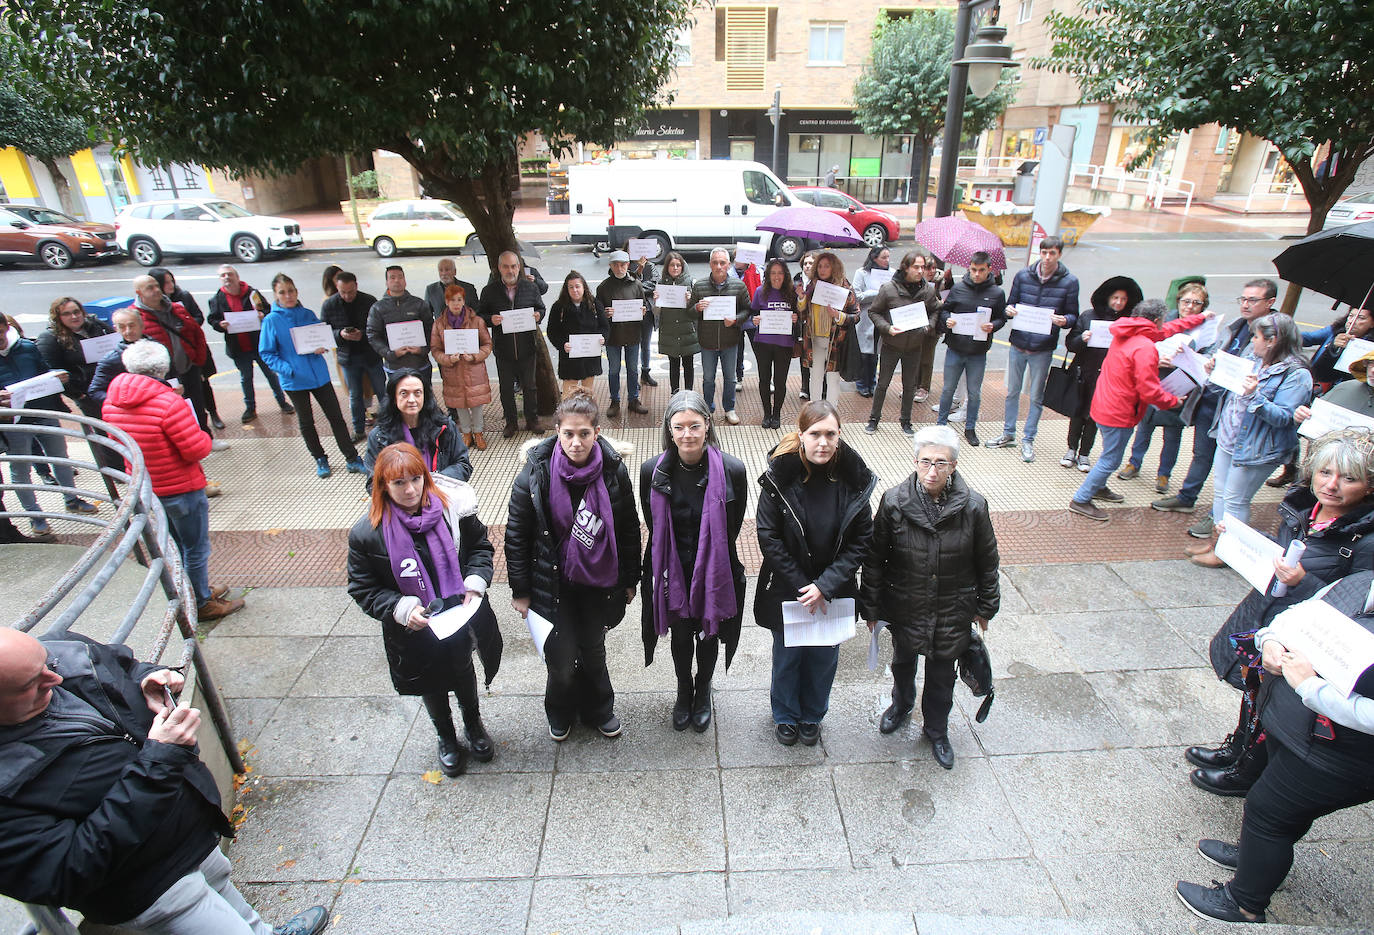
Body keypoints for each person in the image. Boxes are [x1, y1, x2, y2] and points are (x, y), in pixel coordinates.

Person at [0, 629, 328, 935]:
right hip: (151, 885)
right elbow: (64, 871)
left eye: (47, 662)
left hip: (190, 830)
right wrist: (160, 760)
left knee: (227, 892)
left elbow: (122, 665)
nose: (54, 678)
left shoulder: (60, 650)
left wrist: (148, 677)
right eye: (33, 683)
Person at [1175, 569, 1374, 925]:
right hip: (1300, 730)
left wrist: (1312, 689)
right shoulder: (1360, 581)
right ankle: (1256, 857)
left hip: (1340, 755)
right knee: (1279, 814)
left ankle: (1243, 903)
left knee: (1269, 811)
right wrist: (1270, 641)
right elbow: (1296, 615)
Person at [1188, 429, 1374, 798]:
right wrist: (1240, 538)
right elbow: (1283, 551)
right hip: (1270, 616)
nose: (1332, 485)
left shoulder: (1365, 539)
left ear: (1369, 486)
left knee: (1274, 703)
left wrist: (1304, 581)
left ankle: (1247, 773)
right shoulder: (1303, 508)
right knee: (1251, 687)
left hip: (1309, 642)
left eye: (1348, 478)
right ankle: (1236, 749)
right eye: (1325, 473)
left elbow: (1357, 606)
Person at [346, 442, 499, 776]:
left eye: (416, 479)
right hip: (412, 628)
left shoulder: (451, 510)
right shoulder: (366, 534)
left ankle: (473, 727)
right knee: (430, 681)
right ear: (383, 486)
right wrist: (401, 609)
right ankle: (446, 737)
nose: (410, 489)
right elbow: (362, 587)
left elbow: (479, 548)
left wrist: (474, 582)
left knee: (462, 671)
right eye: (399, 483)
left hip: (457, 613)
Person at [505, 392, 641, 740]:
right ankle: (561, 709)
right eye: (568, 434)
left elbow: (627, 527)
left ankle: (600, 709)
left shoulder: (613, 471)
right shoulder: (535, 474)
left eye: (584, 433)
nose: (576, 442)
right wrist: (520, 590)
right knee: (561, 660)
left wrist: (630, 578)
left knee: (594, 651)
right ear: (557, 432)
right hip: (553, 583)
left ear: (597, 432)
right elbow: (517, 535)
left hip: (598, 582)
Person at [863, 424, 999, 769]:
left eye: (941, 463)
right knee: (902, 663)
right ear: (915, 461)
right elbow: (876, 559)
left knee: (942, 675)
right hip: (906, 603)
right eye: (925, 462)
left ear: (954, 466)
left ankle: (937, 729)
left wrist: (986, 606)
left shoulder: (974, 507)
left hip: (952, 607)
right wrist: (872, 607)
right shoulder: (893, 502)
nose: (932, 471)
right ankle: (901, 705)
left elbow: (987, 561)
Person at [755, 400, 875, 746]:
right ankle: (785, 714)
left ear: (839, 436)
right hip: (789, 589)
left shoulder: (853, 480)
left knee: (824, 657)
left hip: (833, 591)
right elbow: (769, 535)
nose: (822, 442)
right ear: (801, 436)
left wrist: (824, 585)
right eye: (815, 434)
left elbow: (861, 539)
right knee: (788, 655)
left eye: (830, 434)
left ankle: (812, 713)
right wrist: (803, 585)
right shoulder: (780, 477)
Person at [102, 340, 244, 620]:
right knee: (195, 547)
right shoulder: (168, 403)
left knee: (174, 546)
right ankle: (201, 602)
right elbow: (196, 449)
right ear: (163, 368)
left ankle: (192, 590)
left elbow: (117, 443)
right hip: (179, 487)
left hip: (146, 488)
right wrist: (203, 436)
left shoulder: (112, 400)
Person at [640, 390, 747, 731]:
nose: (687, 434)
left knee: (709, 633)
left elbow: (732, 525)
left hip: (714, 568)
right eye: (680, 427)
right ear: (669, 430)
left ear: (708, 426)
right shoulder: (650, 471)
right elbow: (654, 527)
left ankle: (704, 688)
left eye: (694, 426)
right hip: (673, 571)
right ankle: (683, 688)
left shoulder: (733, 469)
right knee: (682, 635)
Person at [1153, 279, 1278, 536]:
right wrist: (1207, 362)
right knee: (1202, 453)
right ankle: (1188, 497)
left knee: (1229, 470)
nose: (1245, 304)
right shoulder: (1237, 325)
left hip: (1238, 410)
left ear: (1270, 303)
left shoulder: (1275, 334)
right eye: (1242, 299)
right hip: (1212, 399)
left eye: (1252, 300)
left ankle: (1217, 517)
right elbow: (1218, 353)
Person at [1187, 313, 1313, 565]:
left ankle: (1227, 552)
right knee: (1222, 494)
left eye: (1256, 337)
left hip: (1257, 449)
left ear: (1272, 340)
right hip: (1229, 438)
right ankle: (1217, 543)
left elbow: (1284, 417)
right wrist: (1215, 372)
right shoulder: (1253, 358)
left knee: (1236, 500)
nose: (1252, 341)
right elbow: (1227, 388)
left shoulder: (1297, 375)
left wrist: (1255, 396)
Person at [1068, 299, 1210, 521]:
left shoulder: (1128, 331)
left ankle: (1098, 487)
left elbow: (1167, 331)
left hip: (1105, 404)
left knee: (1108, 454)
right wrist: (1173, 401)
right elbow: (1149, 390)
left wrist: (1199, 318)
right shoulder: (1145, 348)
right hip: (1120, 412)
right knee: (1110, 460)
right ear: (1155, 320)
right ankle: (1082, 499)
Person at [258, 273, 365, 479]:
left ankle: (351, 458)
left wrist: (322, 346)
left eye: (291, 291)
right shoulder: (272, 320)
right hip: (294, 380)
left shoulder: (307, 314)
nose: (288, 296)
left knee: (336, 418)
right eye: (282, 292)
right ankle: (320, 458)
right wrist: (287, 369)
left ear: (297, 292)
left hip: (319, 376)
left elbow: (321, 335)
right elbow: (266, 353)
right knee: (306, 422)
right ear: (276, 295)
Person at [0, 318, 98, 538]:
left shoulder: (26, 347)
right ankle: (36, 517)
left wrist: (58, 376)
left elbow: (45, 371)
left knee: (60, 458)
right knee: (20, 470)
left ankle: (72, 499)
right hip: (13, 423)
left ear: (6, 328)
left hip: (45, 413)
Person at [989, 236, 1081, 462]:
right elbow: (1011, 303)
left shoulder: (1069, 282)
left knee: (1036, 396)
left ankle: (1028, 439)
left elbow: (1073, 315)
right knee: (1012, 391)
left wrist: (1064, 321)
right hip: (1019, 342)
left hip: (1043, 347)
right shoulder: (1023, 276)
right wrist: (1009, 311)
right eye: (1044, 252)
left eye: (1052, 253)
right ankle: (1008, 433)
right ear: (1039, 253)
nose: (1047, 258)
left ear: (1059, 254)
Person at [1120, 281, 1210, 491]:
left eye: (1196, 303)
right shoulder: (1165, 321)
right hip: (1156, 378)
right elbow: (1146, 345)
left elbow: (1208, 359)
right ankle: (1134, 462)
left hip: (1181, 384)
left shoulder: (1205, 331)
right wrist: (1156, 360)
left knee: (1172, 434)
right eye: (1186, 301)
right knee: (1144, 425)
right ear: (1178, 302)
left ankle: (1164, 474)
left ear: (1202, 307)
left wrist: (1188, 359)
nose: (1189, 306)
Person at [34, 297, 124, 475]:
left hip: (113, 385)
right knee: (102, 431)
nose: (74, 317)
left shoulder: (95, 325)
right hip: (86, 392)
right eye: (67, 314)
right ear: (58, 317)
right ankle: (116, 471)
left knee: (121, 425)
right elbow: (53, 371)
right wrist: (77, 394)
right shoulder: (50, 338)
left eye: (76, 312)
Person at [1062, 276, 1143, 470]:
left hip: (1109, 377)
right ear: (1107, 297)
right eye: (1115, 298)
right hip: (1084, 372)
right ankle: (1071, 449)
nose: (1118, 303)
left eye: (1123, 299)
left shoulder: (1128, 322)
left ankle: (1084, 454)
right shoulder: (1088, 316)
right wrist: (1082, 338)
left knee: (1094, 417)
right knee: (1078, 413)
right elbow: (1070, 344)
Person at [131, 274, 217, 445]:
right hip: (163, 377)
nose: (156, 290)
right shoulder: (135, 317)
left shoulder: (177, 308)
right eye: (150, 288)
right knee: (174, 412)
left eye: (156, 285)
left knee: (198, 405)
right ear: (139, 292)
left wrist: (198, 361)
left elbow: (196, 334)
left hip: (189, 368)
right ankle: (185, 445)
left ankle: (206, 440)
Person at [864, 250, 941, 438]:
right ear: (905, 267)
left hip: (914, 346)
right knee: (882, 384)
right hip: (892, 344)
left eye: (922, 267)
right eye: (916, 267)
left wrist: (929, 327)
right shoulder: (888, 288)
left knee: (910, 385)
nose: (920, 271)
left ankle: (906, 421)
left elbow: (935, 310)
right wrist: (887, 328)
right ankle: (874, 419)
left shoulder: (928, 290)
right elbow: (874, 312)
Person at [933, 253, 1008, 444]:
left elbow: (1002, 317)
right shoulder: (958, 289)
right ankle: (941, 425)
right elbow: (945, 310)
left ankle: (970, 427)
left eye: (981, 270)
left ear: (989, 269)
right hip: (956, 348)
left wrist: (994, 325)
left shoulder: (997, 293)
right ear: (969, 268)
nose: (976, 274)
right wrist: (947, 319)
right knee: (948, 389)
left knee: (974, 392)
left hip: (978, 351)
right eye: (973, 270)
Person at [207, 265, 294, 425]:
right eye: (223, 275)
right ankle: (250, 408)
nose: (227, 277)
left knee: (271, 375)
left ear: (237, 277)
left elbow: (267, 309)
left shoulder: (252, 293)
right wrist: (220, 324)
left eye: (230, 274)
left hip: (259, 344)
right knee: (246, 378)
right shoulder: (217, 299)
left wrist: (262, 315)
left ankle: (282, 402)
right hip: (238, 348)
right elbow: (212, 319)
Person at [478, 250, 547, 437]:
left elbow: (541, 307)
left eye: (514, 266)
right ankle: (511, 422)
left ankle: (532, 420)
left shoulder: (530, 288)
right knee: (506, 388)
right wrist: (490, 319)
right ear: (499, 268)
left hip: (527, 347)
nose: (511, 270)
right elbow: (480, 315)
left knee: (530, 386)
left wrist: (539, 315)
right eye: (506, 266)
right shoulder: (489, 291)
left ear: (519, 267)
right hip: (503, 349)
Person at [364, 371, 472, 484]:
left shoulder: (444, 427)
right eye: (404, 393)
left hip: (440, 494)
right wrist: (401, 488)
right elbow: (373, 482)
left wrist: (434, 481)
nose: (412, 400)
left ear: (425, 396)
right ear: (394, 398)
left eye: (417, 393)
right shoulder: (379, 436)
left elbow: (463, 465)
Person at [151, 266, 225, 430]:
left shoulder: (183, 296)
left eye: (172, 281)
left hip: (192, 353)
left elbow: (198, 317)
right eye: (166, 282)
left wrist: (184, 327)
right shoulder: (149, 311)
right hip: (172, 362)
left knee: (203, 386)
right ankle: (193, 424)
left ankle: (212, 414)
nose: (171, 285)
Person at [318, 269, 386, 443]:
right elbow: (323, 332)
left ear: (356, 286)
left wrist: (362, 334)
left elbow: (379, 327)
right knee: (355, 395)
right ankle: (358, 429)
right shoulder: (329, 305)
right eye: (343, 292)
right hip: (347, 358)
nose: (347, 296)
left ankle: (389, 425)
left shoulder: (369, 301)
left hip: (370, 355)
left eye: (350, 292)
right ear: (337, 288)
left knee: (382, 391)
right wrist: (340, 334)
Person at [689, 248, 750, 424]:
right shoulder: (700, 286)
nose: (719, 266)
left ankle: (729, 408)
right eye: (715, 262)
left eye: (722, 262)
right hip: (707, 342)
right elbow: (689, 312)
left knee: (730, 378)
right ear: (710, 264)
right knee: (708, 378)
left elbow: (748, 309)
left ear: (728, 264)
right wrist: (696, 308)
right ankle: (707, 408)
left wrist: (736, 319)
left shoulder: (738, 286)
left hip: (730, 341)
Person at [429, 284, 492, 451]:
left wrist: (475, 356)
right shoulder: (439, 324)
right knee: (460, 405)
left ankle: (478, 433)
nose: (456, 303)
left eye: (459, 299)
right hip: (453, 371)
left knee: (476, 404)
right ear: (446, 302)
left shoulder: (476, 321)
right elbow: (435, 349)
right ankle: (466, 433)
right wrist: (448, 359)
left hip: (474, 370)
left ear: (464, 301)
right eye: (452, 300)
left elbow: (487, 344)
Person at [595, 250, 653, 417]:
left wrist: (642, 311)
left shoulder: (636, 284)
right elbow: (598, 313)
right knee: (613, 369)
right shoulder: (603, 287)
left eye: (623, 264)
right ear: (610, 266)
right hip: (613, 336)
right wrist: (605, 314)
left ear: (628, 265)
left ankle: (633, 399)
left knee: (633, 369)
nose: (619, 268)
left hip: (633, 334)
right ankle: (615, 400)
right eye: (616, 265)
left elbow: (643, 305)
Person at [798, 251, 859, 404]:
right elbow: (803, 314)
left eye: (826, 266)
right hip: (814, 340)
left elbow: (856, 315)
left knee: (833, 379)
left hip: (835, 342)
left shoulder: (845, 288)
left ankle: (831, 413)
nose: (822, 270)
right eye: (819, 266)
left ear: (834, 268)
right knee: (815, 376)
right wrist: (801, 299)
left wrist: (838, 316)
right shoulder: (812, 286)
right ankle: (815, 411)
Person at [749, 258, 800, 429]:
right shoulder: (759, 291)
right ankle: (767, 413)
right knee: (764, 379)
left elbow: (800, 314)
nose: (776, 277)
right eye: (773, 273)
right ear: (768, 275)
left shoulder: (792, 293)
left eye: (780, 273)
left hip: (784, 344)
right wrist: (754, 320)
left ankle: (776, 414)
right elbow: (752, 313)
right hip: (763, 343)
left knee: (780, 381)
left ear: (785, 275)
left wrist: (796, 318)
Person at [545, 271, 608, 400]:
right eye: (571, 287)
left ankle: (586, 418)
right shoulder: (559, 307)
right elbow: (552, 331)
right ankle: (568, 419)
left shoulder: (595, 304)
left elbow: (605, 327)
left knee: (587, 394)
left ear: (583, 287)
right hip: (569, 359)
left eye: (577, 286)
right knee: (568, 395)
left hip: (590, 358)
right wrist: (562, 344)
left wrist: (603, 338)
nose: (575, 290)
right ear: (566, 289)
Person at [367, 265, 434, 383]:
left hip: (420, 364)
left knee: (425, 398)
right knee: (399, 399)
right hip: (394, 367)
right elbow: (373, 335)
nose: (397, 280)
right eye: (392, 278)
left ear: (405, 281)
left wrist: (422, 349)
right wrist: (389, 353)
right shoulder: (378, 308)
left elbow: (431, 330)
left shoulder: (419, 304)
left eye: (400, 277)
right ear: (387, 282)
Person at [654, 252, 698, 394]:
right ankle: (675, 392)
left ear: (682, 266)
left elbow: (696, 310)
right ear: (667, 267)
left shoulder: (691, 282)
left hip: (687, 331)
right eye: (672, 265)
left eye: (678, 265)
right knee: (673, 364)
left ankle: (689, 393)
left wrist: (690, 301)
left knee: (688, 364)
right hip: (669, 331)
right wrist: (656, 302)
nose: (675, 268)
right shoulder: (660, 284)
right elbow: (656, 312)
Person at [851, 245, 891, 398]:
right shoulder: (861, 273)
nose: (887, 261)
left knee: (875, 353)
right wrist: (878, 293)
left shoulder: (891, 273)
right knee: (863, 354)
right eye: (883, 257)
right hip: (866, 318)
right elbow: (857, 295)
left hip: (882, 319)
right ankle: (861, 383)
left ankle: (872, 383)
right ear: (874, 258)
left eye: (888, 257)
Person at [1304, 305, 1373, 391]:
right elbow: (1321, 374)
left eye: (1361, 318)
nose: (1352, 321)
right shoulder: (1335, 331)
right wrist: (1332, 348)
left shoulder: (1370, 347)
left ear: (1372, 323)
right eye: (1351, 316)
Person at [729, 251, 761, 392]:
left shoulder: (757, 272)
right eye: (735, 257)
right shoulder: (729, 273)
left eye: (740, 258)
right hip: (735, 317)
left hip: (753, 317)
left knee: (759, 350)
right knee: (737, 350)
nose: (736, 260)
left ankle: (766, 378)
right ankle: (738, 377)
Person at [795, 252, 817, 402]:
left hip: (816, 326)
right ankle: (805, 387)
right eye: (805, 263)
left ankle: (819, 388)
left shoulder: (821, 281)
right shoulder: (797, 280)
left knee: (818, 359)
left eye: (811, 263)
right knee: (804, 357)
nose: (807, 266)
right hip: (801, 325)